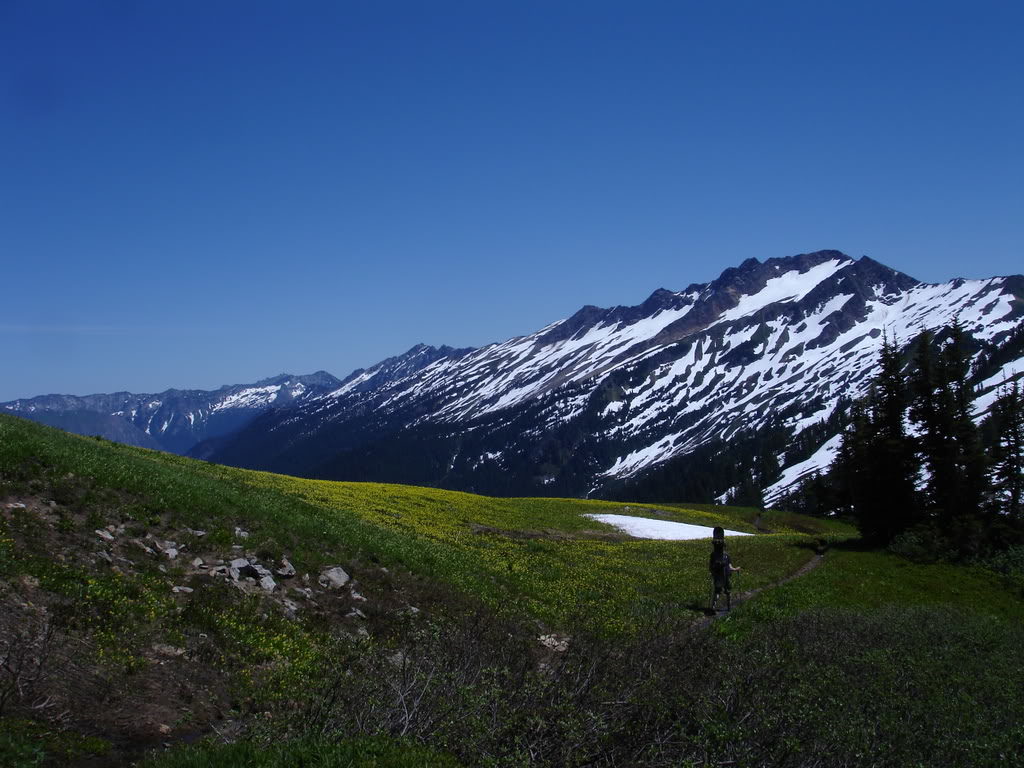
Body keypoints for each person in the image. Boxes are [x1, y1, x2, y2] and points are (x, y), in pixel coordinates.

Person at [709, 527, 741, 611]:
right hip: (725, 575)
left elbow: (711, 566)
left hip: (719, 575)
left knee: (718, 591)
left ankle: (713, 607)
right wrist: (735, 569)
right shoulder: (726, 555)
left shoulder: (714, 554)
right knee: (727, 591)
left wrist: (712, 573)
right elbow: (730, 567)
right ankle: (728, 608)